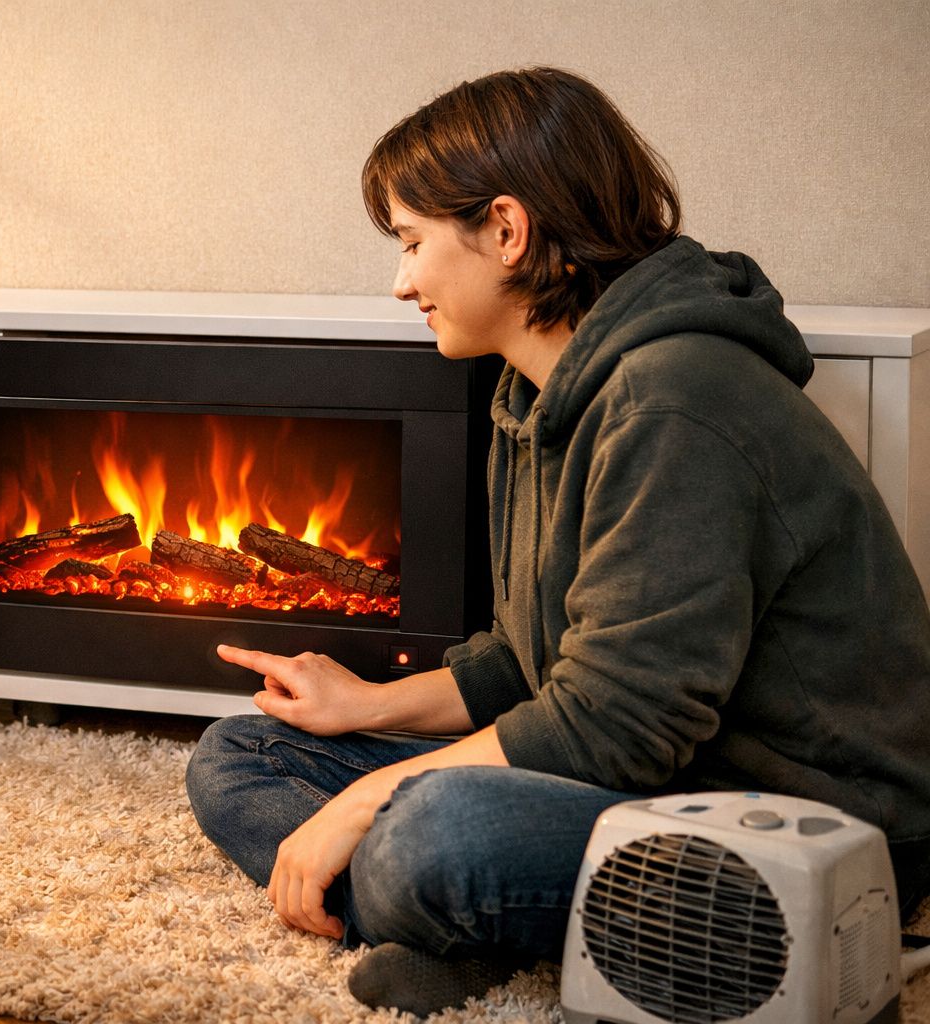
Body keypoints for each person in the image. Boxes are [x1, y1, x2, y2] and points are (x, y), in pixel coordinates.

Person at [185, 66, 930, 1018]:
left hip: (804, 835)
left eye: (412, 243)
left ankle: (453, 911)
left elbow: (614, 727)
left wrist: (366, 802)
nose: (401, 280)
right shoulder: (536, 395)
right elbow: (533, 661)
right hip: (649, 792)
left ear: (506, 229)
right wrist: (367, 703)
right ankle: (468, 923)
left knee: (435, 829)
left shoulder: (678, 397)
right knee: (238, 757)